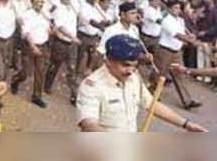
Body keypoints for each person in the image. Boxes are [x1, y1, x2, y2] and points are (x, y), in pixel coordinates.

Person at [77, 34, 208, 132]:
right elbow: (88, 124)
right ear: (109, 60)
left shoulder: (134, 77)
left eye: (134, 66)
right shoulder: (92, 86)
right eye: (125, 65)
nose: (130, 71)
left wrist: (186, 124)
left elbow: (151, 104)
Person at [154, 0, 202, 110]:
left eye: (179, 8)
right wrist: (192, 42)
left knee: (180, 75)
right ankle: (152, 93)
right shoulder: (166, 21)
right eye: (175, 7)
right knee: (159, 74)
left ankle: (187, 101)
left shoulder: (180, 20)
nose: (178, 10)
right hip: (164, 51)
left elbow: (184, 33)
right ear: (169, 9)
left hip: (176, 52)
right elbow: (177, 35)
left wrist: (191, 37)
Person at [11, 0, 51, 108]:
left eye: (42, 3)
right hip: (29, 46)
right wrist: (33, 47)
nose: (40, 5)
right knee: (27, 72)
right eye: (38, 2)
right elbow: (25, 32)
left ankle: (37, 96)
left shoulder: (44, 14)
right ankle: (16, 80)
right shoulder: (27, 15)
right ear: (32, 2)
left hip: (43, 45)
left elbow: (48, 28)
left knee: (40, 72)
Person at [44, 0, 80, 106]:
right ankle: (47, 85)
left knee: (72, 69)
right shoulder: (57, 8)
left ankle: (74, 94)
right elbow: (60, 27)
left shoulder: (73, 7)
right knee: (54, 66)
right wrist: (73, 37)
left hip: (72, 45)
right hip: (61, 43)